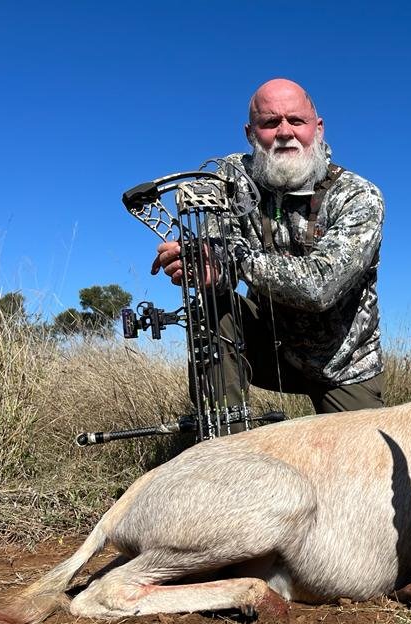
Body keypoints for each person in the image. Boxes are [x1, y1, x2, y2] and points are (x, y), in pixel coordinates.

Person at [151, 78, 385, 415]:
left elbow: (320, 287)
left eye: (296, 121)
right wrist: (205, 269)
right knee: (210, 306)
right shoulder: (230, 182)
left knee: (361, 464)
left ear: (318, 129)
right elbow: (219, 266)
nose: (285, 132)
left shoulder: (358, 195)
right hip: (267, 347)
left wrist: (234, 256)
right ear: (250, 133)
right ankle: (224, 448)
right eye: (270, 122)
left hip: (344, 365)